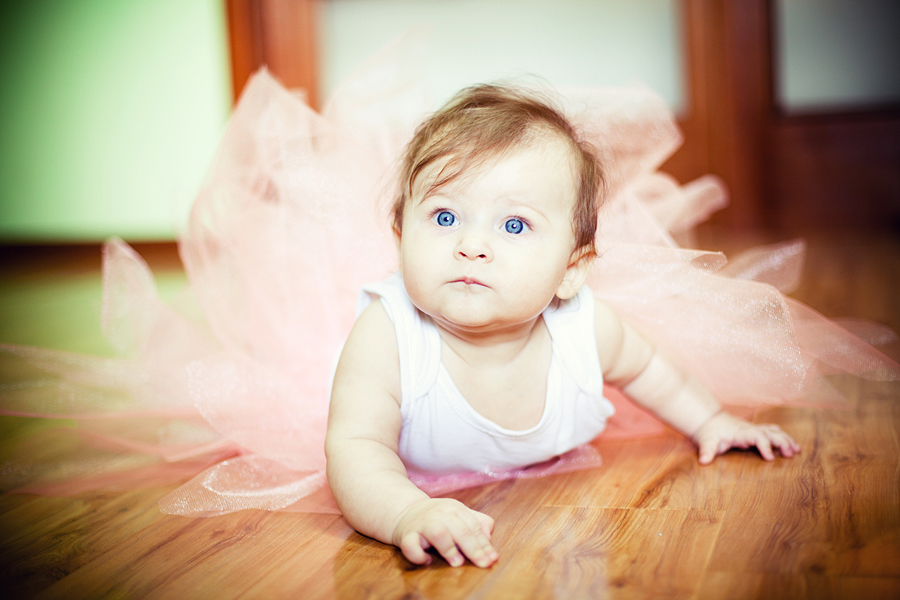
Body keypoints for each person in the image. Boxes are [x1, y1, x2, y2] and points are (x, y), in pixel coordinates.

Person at [324, 85, 800, 569]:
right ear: (400, 239)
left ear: (571, 270)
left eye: (514, 225)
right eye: (445, 216)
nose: (471, 244)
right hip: (411, 475)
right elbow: (356, 450)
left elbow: (653, 370)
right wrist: (407, 511)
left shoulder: (583, 330)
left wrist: (709, 421)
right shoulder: (387, 337)